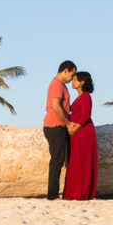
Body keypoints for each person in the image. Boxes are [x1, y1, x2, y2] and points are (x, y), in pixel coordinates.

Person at [43, 60, 79, 200]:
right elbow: (56, 106)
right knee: (57, 161)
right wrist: (68, 123)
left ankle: (57, 192)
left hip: (57, 126)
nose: (72, 78)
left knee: (59, 160)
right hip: (55, 126)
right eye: (72, 74)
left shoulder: (60, 85)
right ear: (65, 70)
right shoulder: (57, 84)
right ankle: (52, 195)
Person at [63, 71, 98, 200]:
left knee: (81, 161)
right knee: (75, 161)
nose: (72, 81)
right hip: (76, 133)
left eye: (75, 80)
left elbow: (86, 115)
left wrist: (75, 129)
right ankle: (74, 192)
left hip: (82, 131)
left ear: (82, 82)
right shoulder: (80, 97)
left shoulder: (86, 96)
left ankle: (80, 192)